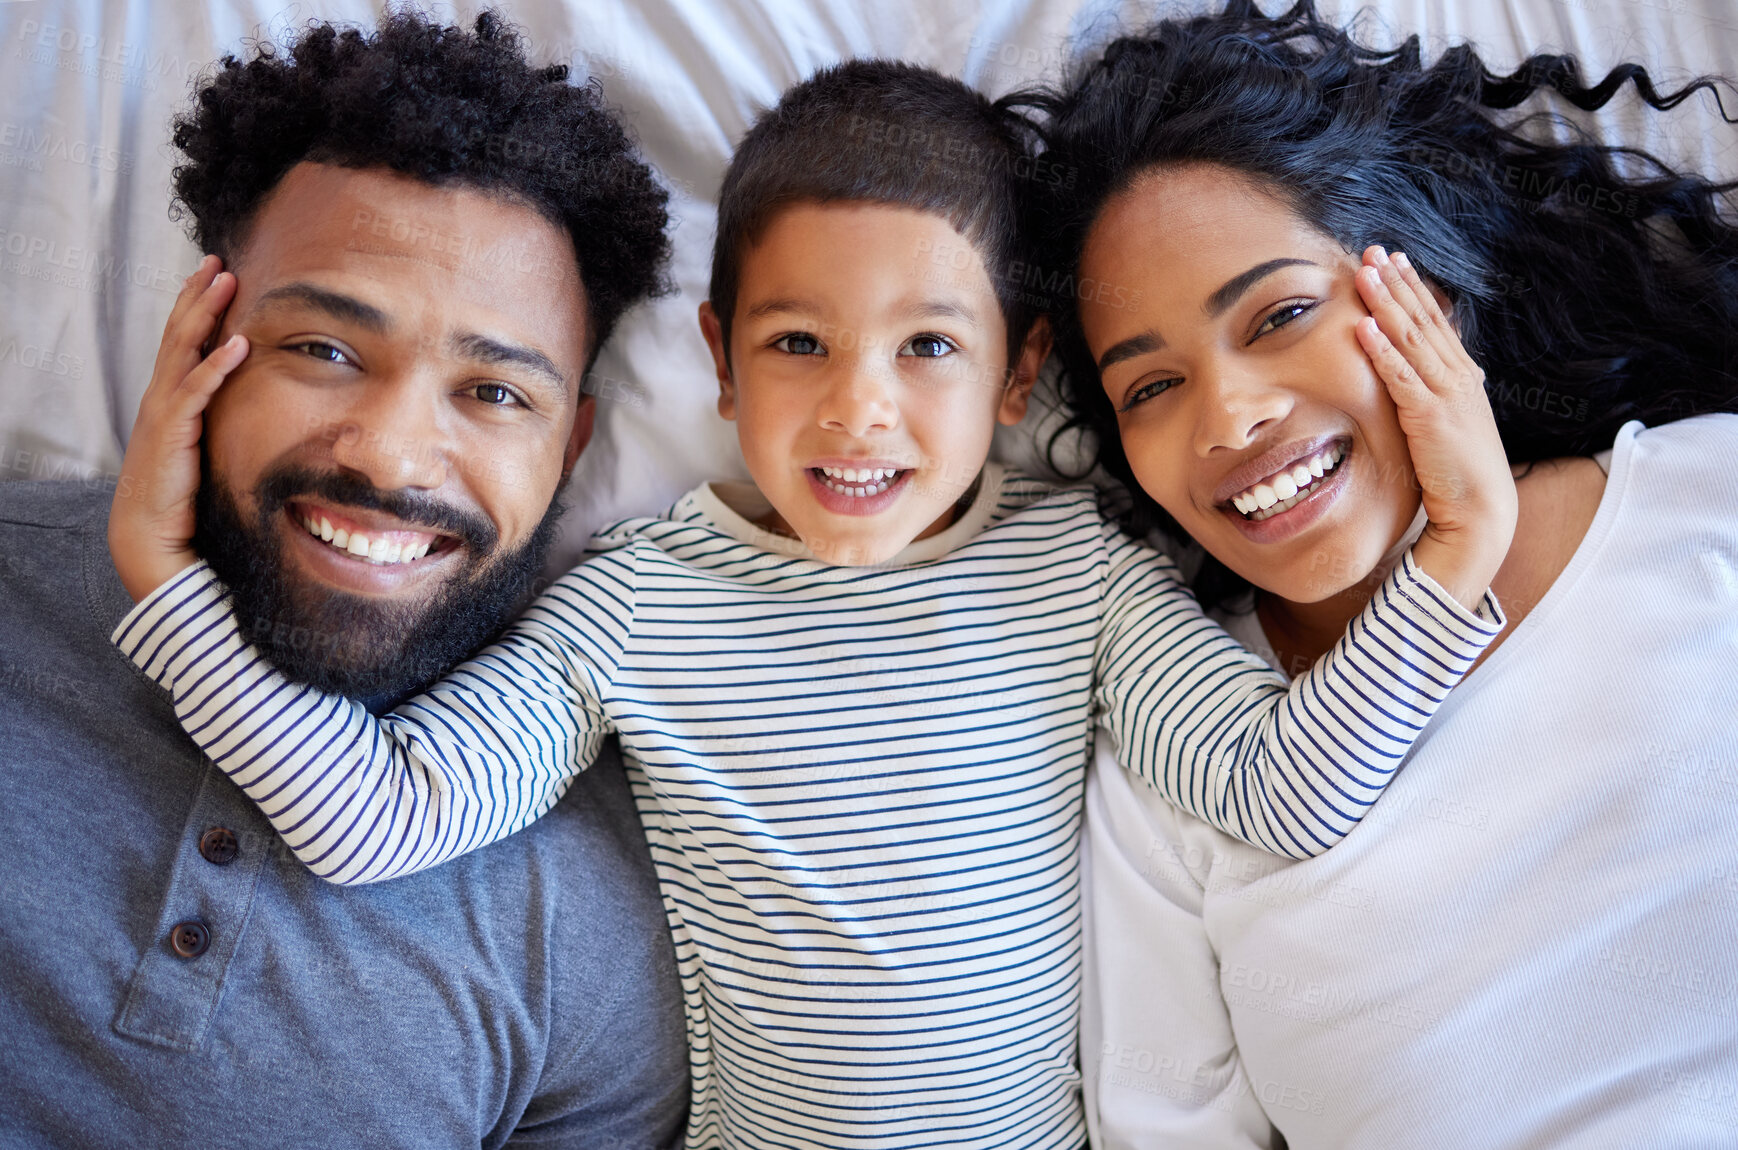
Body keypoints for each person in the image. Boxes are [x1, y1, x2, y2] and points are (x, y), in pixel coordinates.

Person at [107, 58, 1516, 1149]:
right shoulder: (634, 608)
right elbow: (383, 815)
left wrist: (1461, 542)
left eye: (927, 348)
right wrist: (164, 578)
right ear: (719, 362)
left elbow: (1280, 787)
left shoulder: (1075, 573)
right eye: (798, 343)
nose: (857, 407)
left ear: (1017, 378)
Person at [1025, 2, 1738, 1144]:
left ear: (1431, 295)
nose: (1229, 416)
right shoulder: (1185, 759)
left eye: (1281, 314)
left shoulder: (1705, 501)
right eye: (1150, 388)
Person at [0, 12, 690, 1147]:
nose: (387, 454)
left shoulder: (612, 933)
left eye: (496, 392)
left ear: (570, 450)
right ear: (199, 341)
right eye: (324, 350)